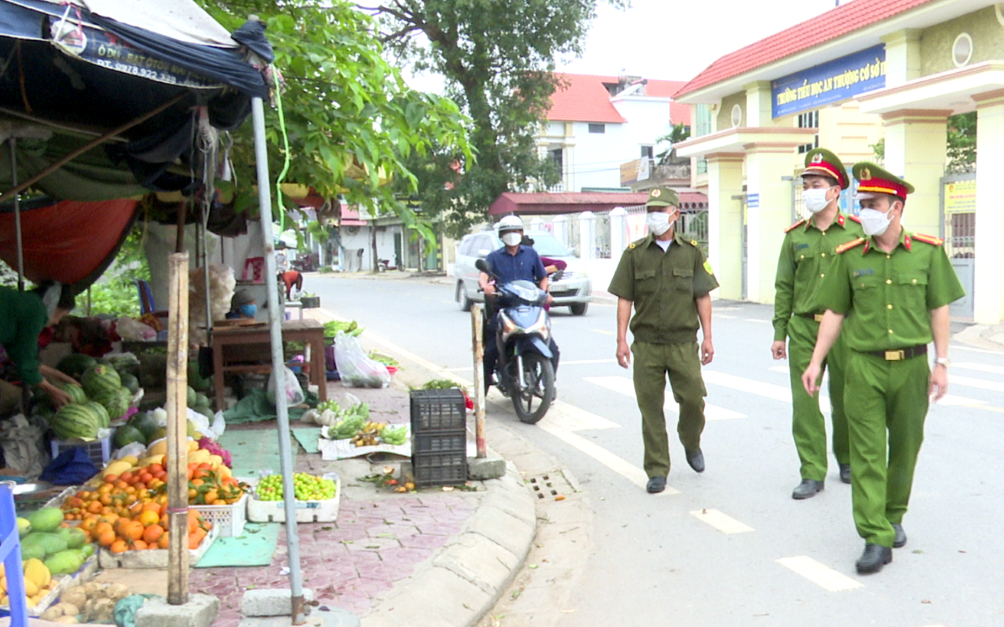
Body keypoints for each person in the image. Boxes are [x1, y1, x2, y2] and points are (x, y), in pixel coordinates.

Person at [801, 163, 965, 575]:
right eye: (862, 203)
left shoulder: (928, 253)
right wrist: (816, 361)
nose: (865, 211)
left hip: (911, 367)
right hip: (864, 367)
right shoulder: (850, 256)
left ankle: (893, 515)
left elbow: (938, 308)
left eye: (873, 204)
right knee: (868, 452)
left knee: (906, 447)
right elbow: (835, 311)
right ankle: (874, 536)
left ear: (896, 208)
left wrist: (941, 363)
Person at [607, 187, 718, 494]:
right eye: (650, 211)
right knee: (650, 408)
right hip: (647, 345)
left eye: (661, 210)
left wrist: (708, 337)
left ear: (675, 214)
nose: (655, 216)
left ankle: (690, 440)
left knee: (694, 399)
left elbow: (702, 296)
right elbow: (624, 300)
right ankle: (657, 469)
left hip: (683, 343)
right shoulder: (634, 254)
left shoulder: (692, 252)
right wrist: (621, 340)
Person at [772, 148, 864, 500]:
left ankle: (848, 459)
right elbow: (784, 286)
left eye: (816, 184)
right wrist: (779, 331)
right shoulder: (796, 236)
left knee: (847, 399)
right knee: (805, 402)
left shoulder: (856, 232)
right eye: (806, 184)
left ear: (835, 189)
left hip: (845, 328)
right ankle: (811, 471)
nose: (809, 190)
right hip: (805, 328)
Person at [478, 215, 559, 392]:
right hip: (504, 309)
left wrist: (545, 293)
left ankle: (549, 385)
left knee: (552, 347)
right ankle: (481, 394)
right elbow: (483, 275)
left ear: (522, 233)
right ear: (501, 236)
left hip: (530, 308)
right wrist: (485, 286)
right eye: (507, 232)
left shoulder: (530, 254)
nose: (511, 235)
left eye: (515, 231)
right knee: (491, 351)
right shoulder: (494, 257)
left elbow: (542, 276)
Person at [0, 283, 79, 413]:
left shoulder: (28, 303)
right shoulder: (36, 310)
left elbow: (20, 354)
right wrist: (52, 391)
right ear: (55, 305)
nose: (57, 322)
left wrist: (57, 375)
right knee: (9, 397)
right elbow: (26, 364)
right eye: (61, 316)